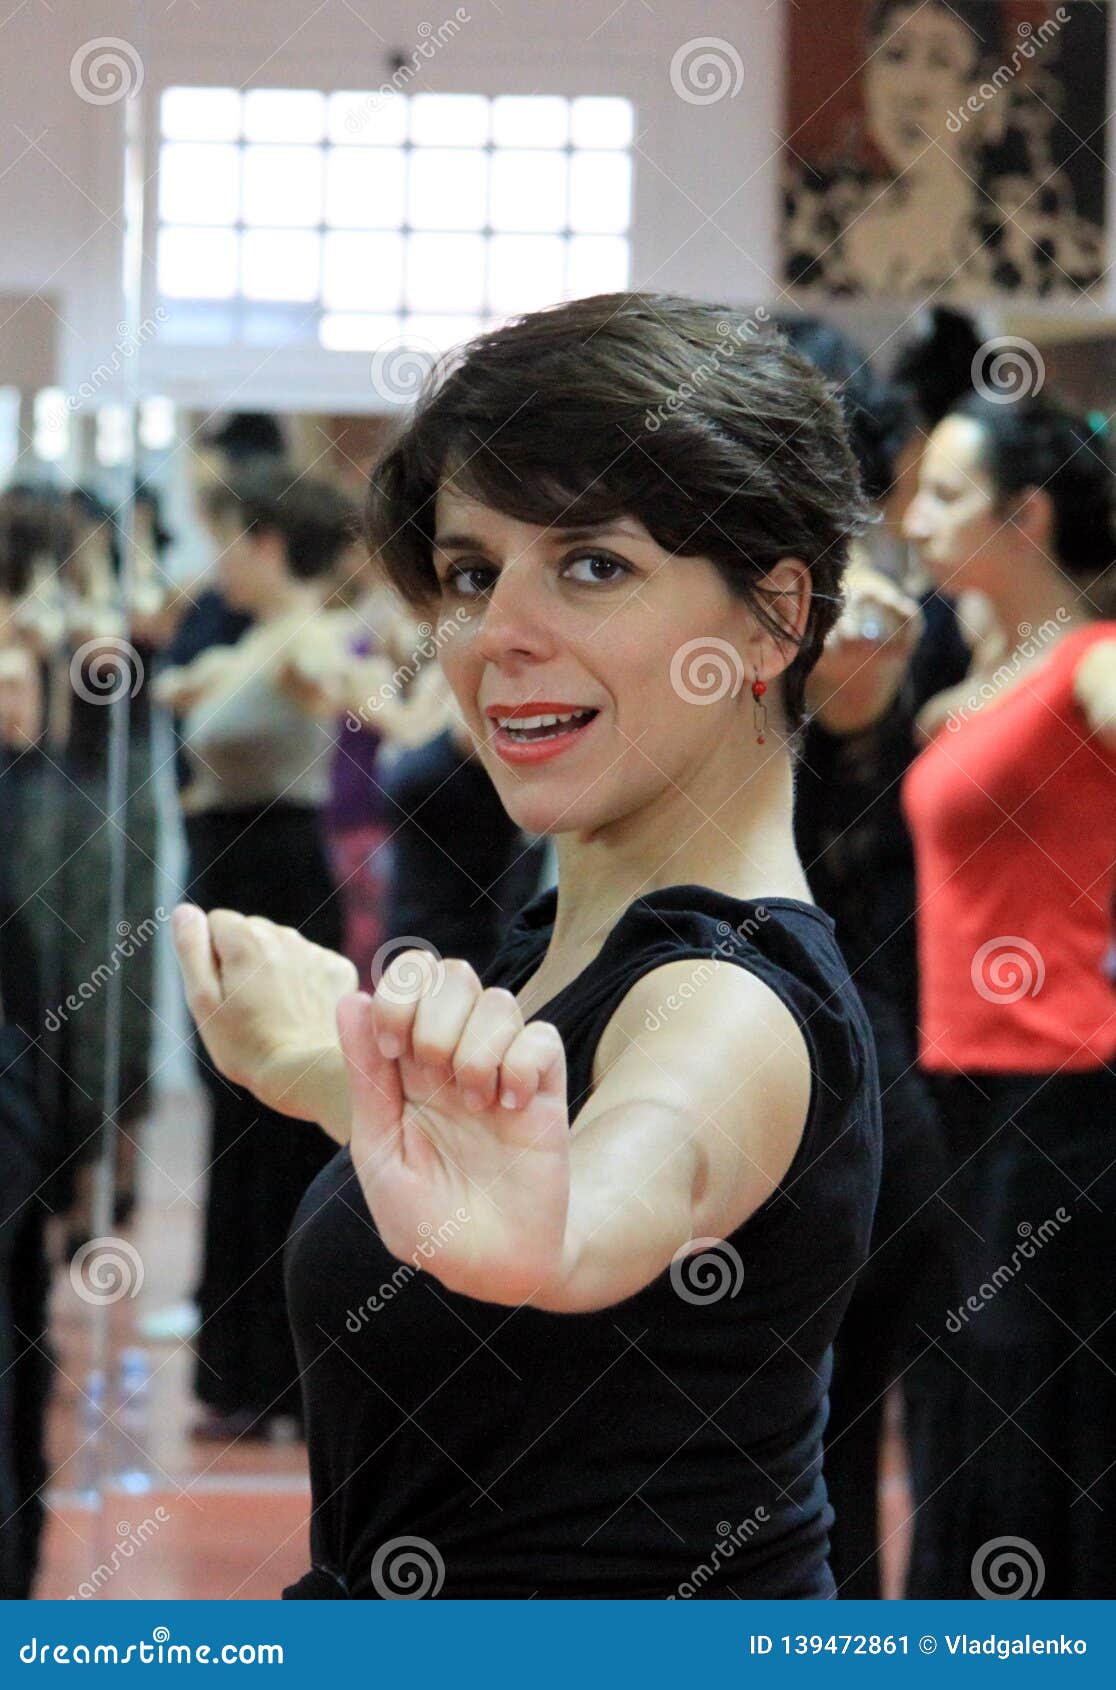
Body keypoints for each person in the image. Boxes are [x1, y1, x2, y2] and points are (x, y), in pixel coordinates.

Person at [171, 293, 882, 1599]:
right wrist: (342, 1071)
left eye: (594, 564)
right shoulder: (559, 940)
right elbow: (524, 1154)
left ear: (772, 617)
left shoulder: (728, 1003)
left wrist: (548, 1240)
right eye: (471, 571)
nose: (499, 631)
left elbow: (624, 1179)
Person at [897, 394, 1116, 1598]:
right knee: (964, 1385)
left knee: (1030, 1391)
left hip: (1065, 1089)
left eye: (945, 496)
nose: (914, 520)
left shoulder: (1094, 661)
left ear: (1024, 515)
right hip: (968, 1083)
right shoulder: (987, 659)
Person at [784, 317, 970, 1597]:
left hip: (869, 1065)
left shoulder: (908, 629)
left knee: (830, 1441)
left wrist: (866, 729)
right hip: (810, 1047)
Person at [156, 463, 354, 1440]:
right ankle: (241, 1364)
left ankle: (279, 1369)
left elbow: (338, 678)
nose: (220, 559)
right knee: (240, 1134)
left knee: (273, 1126)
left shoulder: (306, 636)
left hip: (276, 880)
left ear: (270, 545)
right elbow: (190, 688)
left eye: (232, 538)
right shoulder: (256, 638)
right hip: (230, 873)